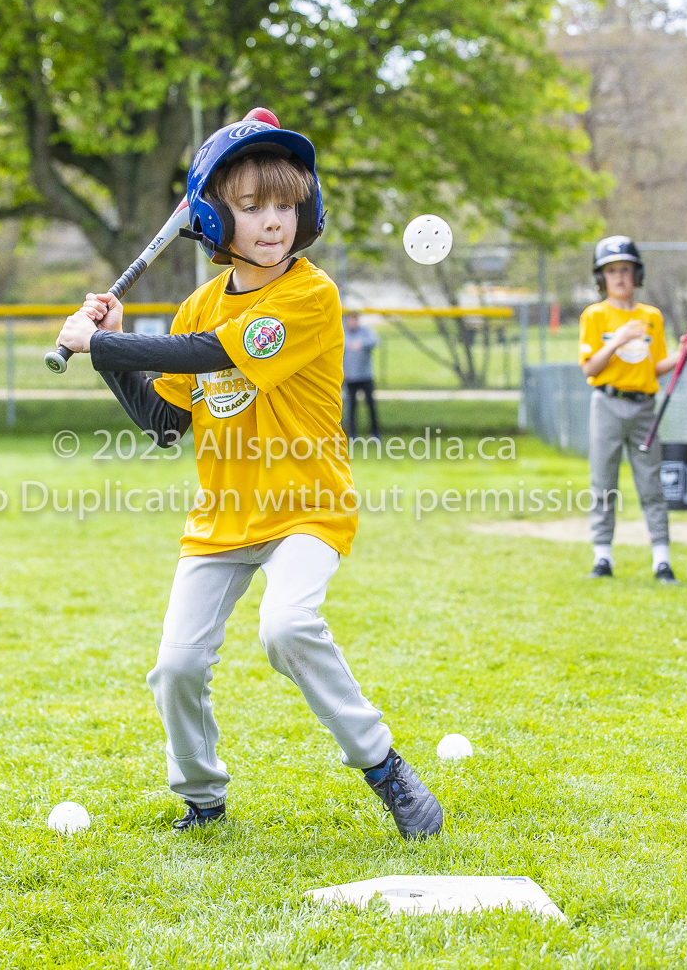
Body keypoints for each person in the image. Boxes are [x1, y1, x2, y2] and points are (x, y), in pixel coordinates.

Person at [55, 115, 443, 839]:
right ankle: (202, 798)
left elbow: (206, 355)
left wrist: (105, 339)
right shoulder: (198, 306)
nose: (274, 221)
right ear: (211, 217)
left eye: (287, 204)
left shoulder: (308, 296)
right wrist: (108, 355)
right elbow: (165, 423)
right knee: (175, 667)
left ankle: (384, 766)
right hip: (221, 517)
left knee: (288, 626)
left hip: (305, 507)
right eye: (252, 206)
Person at [579, 235, 685, 583]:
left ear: (636, 274)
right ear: (602, 278)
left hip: (643, 408)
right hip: (607, 404)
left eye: (626, 269)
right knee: (603, 481)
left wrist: (683, 353)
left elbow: (652, 368)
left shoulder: (651, 317)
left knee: (651, 482)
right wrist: (619, 339)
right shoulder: (595, 316)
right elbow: (590, 368)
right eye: (611, 271)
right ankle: (602, 556)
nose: (620, 277)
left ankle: (661, 559)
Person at [343, 311, 381, 441]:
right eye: (350, 320)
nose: (352, 322)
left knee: (370, 405)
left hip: (365, 376)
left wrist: (361, 343)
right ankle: (352, 435)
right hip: (350, 377)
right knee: (351, 407)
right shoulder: (343, 333)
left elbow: (375, 340)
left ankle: (375, 433)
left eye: (355, 320)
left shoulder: (365, 332)